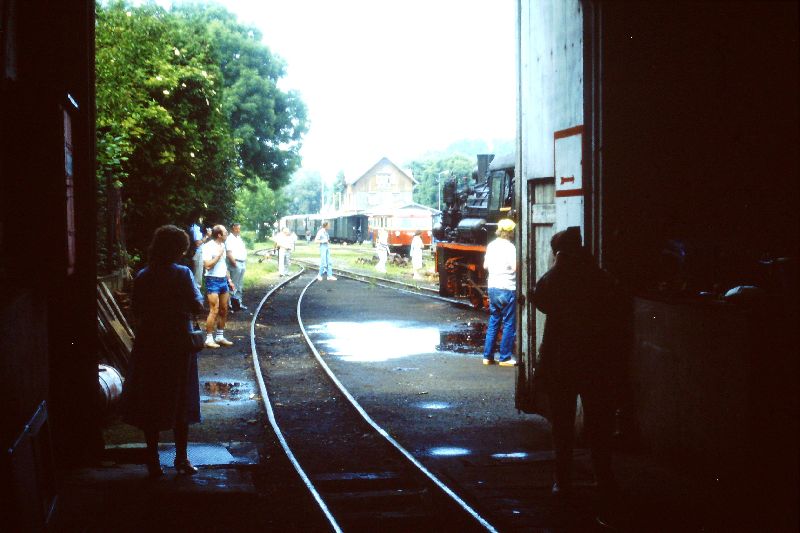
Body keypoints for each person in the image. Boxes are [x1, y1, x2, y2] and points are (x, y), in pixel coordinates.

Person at [531, 226, 622, 503]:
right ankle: (603, 477)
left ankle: (562, 480)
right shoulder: (600, 276)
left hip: (562, 362)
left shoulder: (557, 279)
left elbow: (539, 297)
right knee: (599, 423)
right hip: (596, 361)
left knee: (562, 425)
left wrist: (559, 266)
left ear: (559, 253)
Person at [121, 225, 205, 477]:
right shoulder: (183, 273)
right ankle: (181, 458)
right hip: (178, 344)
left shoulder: (143, 275)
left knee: (151, 399)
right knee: (181, 398)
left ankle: (153, 461)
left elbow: (136, 310)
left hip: (149, 344)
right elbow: (197, 305)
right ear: (177, 250)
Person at [482, 219, 517, 367]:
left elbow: (485, 265)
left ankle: (487, 357)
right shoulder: (510, 247)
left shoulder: (491, 245)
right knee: (509, 323)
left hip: (493, 288)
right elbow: (515, 267)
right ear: (510, 232)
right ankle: (505, 357)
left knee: (494, 321)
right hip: (507, 287)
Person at [202, 225, 235, 348]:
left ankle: (220, 336)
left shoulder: (223, 245)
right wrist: (218, 255)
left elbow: (223, 265)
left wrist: (229, 280)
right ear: (219, 235)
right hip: (212, 280)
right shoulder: (208, 246)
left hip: (223, 280)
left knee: (224, 309)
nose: (227, 234)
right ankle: (209, 339)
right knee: (214, 310)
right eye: (225, 232)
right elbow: (207, 265)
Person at [226, 222, 248, 311]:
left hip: (242, 262)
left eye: (239, 228)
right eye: (237, 228)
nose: (239, 230)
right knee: (233, 284)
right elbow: (229, 253)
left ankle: (238, 303)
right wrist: (234, 263)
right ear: (233, 228)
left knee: (239, 284)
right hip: (236, 262)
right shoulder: (229, 239)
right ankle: (230, 304)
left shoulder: (239, 238)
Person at [188, 215, 210, 290]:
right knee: (197, 276)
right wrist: (207, 236)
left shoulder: (196, 228)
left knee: (196, 275)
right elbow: (198, 243)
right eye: (201, 218)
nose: (202, 220)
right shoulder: (195, 228)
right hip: (197, 253)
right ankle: (195, 294)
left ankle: (193, 292)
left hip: (197, 253)